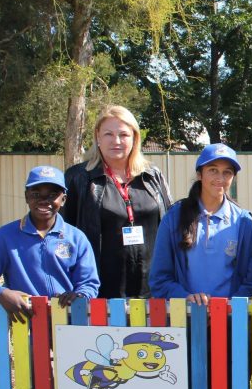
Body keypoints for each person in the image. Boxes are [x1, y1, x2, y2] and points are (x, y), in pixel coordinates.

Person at [63, 105, 172, 298]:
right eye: (108, 134)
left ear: (135, 138)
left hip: (152, 290)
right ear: (98, 137)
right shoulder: (78, 178)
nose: (117, 141)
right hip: (100, 291)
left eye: (124, 134)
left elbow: (171, 227)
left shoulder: (152, 176)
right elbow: (63, 235)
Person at [0, 166, 100, 321]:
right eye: (36, 194)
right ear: (26, 197)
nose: (44, 201)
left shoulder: (76, 238)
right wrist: (1, 293)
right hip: (26, 326)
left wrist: (80, 295)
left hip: (69, 323)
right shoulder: (5, 237)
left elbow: (89, 283)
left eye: (52, 195)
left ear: (63, 199)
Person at [149, 144, 252, 303]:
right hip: (185, 318)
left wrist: (228, 307)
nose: (220, 178)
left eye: (227, 172)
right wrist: (186, 298)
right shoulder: (173, 218)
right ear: (199, 174)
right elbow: (159, 279)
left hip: (231, 320)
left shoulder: (244, 222)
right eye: (213, 170)